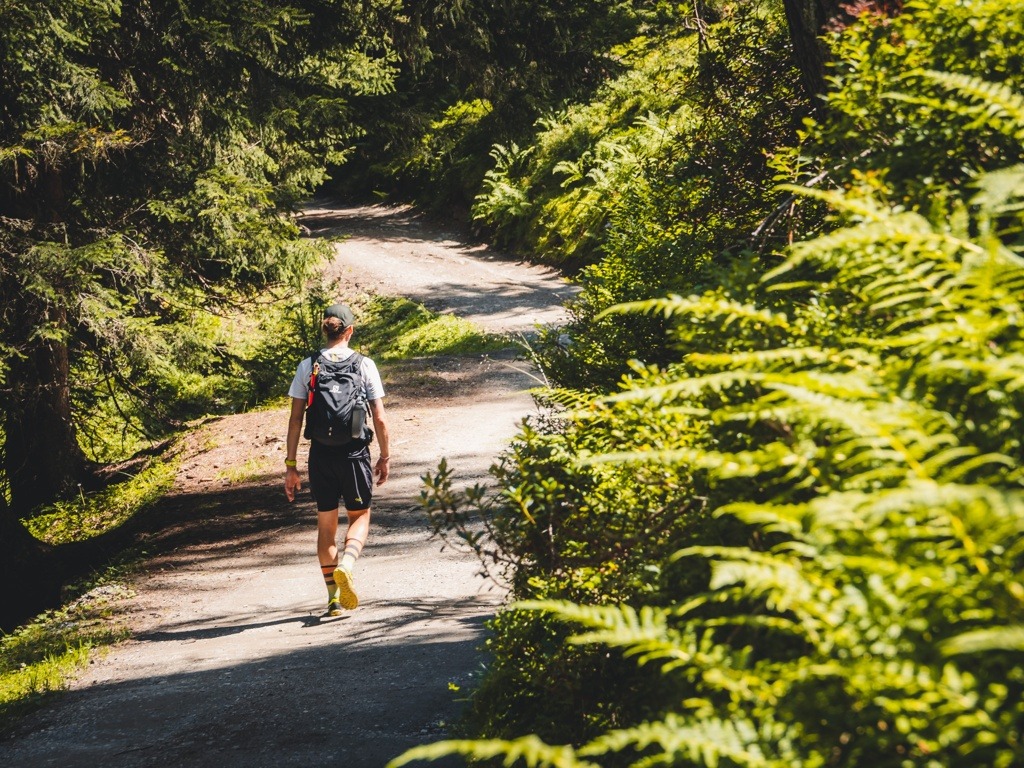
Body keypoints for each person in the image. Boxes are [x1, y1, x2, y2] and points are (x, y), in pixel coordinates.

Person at [284, 303, 390, 616]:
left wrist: (290, 467)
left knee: (326, 526)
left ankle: (332, 596)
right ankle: (347, 563)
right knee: (360, 516)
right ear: (349, 331)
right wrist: (384, 455)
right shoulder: (364, 364)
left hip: (320, 455)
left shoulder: (308, 365)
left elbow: (294, 419)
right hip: (354, 453)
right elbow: (380, 418)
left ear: (325, 330)